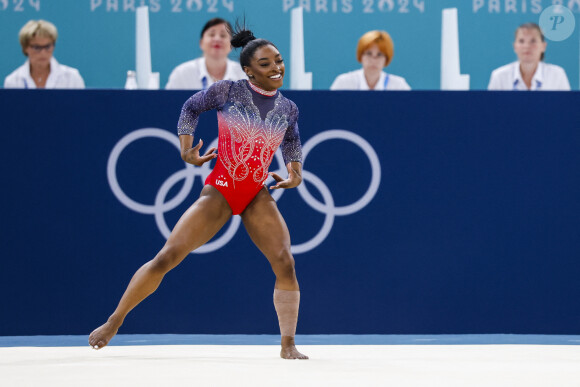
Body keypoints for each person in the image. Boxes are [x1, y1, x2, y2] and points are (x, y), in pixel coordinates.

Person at [89, 22, 308, 360]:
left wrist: (296, 173)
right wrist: (186, 148)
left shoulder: (288, 108)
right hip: (221, 189)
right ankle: (114, 322)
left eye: (278, 60)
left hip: (255, 193)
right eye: (265, 64)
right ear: (248, 71)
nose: (276, 68)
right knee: (167, 257)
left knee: (285, 263)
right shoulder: (228, 91)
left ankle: (288, 344)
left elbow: (292, 139)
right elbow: (190, 107)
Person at [165, 18, 247, 90]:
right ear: (201, 43)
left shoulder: (244, 75)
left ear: (232, 45)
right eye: (212, 34)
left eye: (223, 35)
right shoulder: (182, 74)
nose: (217, 39)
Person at [488, 23, 570, 91]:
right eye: (521, 41)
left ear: (543, 46)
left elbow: (566, 108)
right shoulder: (499, 76)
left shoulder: (557, 75)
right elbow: (490, 108)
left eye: (533, 41)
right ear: (514, 46)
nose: (527, 46)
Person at [4, 20, 85, 89]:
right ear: (25, 47)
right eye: (37, 47)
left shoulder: (72, 77)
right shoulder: (13, 81)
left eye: (47, 46)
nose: (43, 52)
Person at [330, 30, 410, 91]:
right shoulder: (344, 83)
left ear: (387, 58)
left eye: (379, 55)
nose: (373, 60)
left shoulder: (399, 85)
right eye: (369, 54)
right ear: (361, 56)